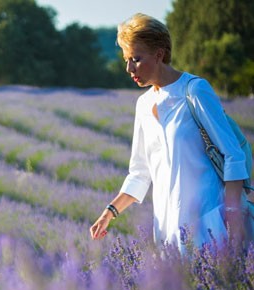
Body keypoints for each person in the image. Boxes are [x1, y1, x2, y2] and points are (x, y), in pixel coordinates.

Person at [89, 13, 250, 252]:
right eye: (126, 59)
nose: (129, 67)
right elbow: (140, 172)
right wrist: (109, 213)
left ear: (159, 54)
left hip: (211, 222)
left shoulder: (194, 90)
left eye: (136, 58)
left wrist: (232, 215)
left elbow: (233, 155)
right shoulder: (143, 105)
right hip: (166, 228)